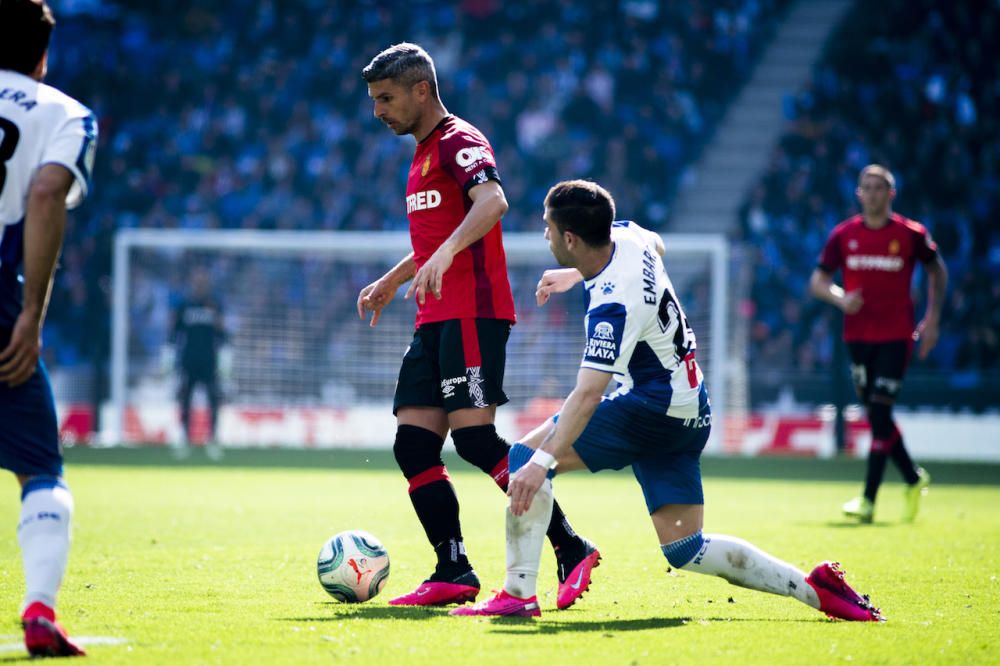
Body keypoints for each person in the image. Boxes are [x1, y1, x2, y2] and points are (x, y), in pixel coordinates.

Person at [452, 180, 883, 621]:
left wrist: (540, 465)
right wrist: (577, 272)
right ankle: (813, 589)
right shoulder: (627, 236)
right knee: (685, 548)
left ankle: (518, 593)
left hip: (652, 407)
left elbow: (587, 394)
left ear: (570, 238)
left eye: (548, 227)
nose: (543, 234)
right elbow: (654, 244)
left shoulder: (613, 308)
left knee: (526, 456)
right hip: (690, 408)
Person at [356, 43, 599, 608]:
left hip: (472, 311)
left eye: (386, 98)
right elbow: (437, 238)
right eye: (373, 101)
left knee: (474, 440)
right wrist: (394, 278)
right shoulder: (419, 155)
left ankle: (570, 545)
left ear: (422, 90)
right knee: (414, 446)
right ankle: (454, 569)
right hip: (432, 317)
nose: (378, 111)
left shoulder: (459, 140)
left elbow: (493, 202)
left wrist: (444, 256)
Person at [0, 0, 97, 656]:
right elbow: (41, 196)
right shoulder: (64, 113)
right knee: (39, 465)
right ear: (43, 55)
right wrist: (32, 313)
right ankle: (38, 610)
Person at [810, 164, 946, 524]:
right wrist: (840, 299)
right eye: (866, 187)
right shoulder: (844, 235)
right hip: (856, 336)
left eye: (879, 187)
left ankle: (868, 500)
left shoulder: (910, 233)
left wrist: (932, 320)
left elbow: (937, 270)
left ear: (891, 194)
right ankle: (914, 478)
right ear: (859, 194)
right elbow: (818, 281)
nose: (872, 193)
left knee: (880, 412)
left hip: (896, 335)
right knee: (875, 414)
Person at [166, 267, 228, 459]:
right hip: (188, 360)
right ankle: (184, 438)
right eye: (197, 280)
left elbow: (223, 333)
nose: (200, 284)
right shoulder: (184, 305)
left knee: (213, 399)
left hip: (209, 361)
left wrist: (226, 359)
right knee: (185, 400)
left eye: (203, 280)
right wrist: (168, 357)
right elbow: (174, 332)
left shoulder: (215, 304)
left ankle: (213, 440)